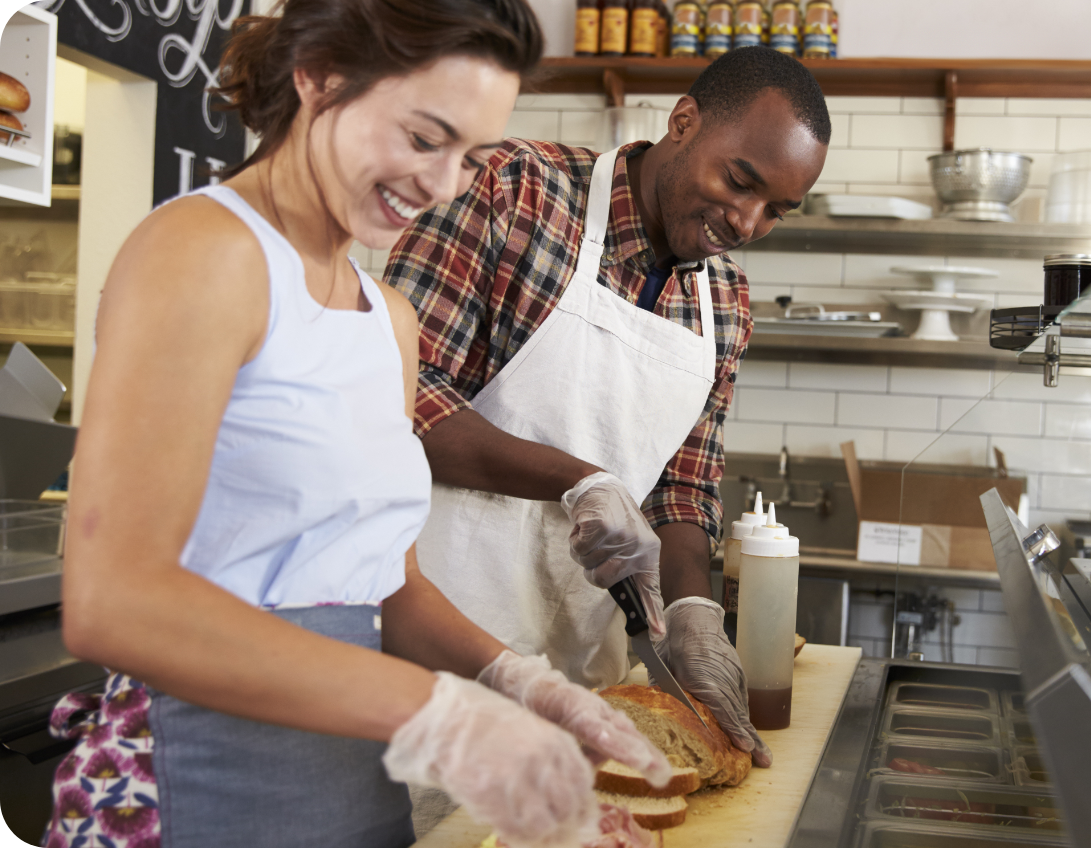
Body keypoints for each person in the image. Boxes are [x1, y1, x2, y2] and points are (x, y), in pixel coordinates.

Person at [43, 2, 668, 846]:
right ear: (320, 77)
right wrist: (444, 717)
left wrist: (522, 684)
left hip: (347, 797)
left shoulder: (389, 320)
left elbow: (384, 585)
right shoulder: (203, 252)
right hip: (195, 787)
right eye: (424, 139)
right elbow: (115, 604)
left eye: (471, 157)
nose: (446, 186)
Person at [386, 45, 831, 770]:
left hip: (582, 682)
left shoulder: (727, 304)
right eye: (739, 180)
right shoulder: (515, 190)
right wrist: (579, 479)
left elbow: (683, 491)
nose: (747, 222)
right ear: (684, 122)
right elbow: (397, 395)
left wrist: (693, 613)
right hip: (434, 647)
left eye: (776, 210)